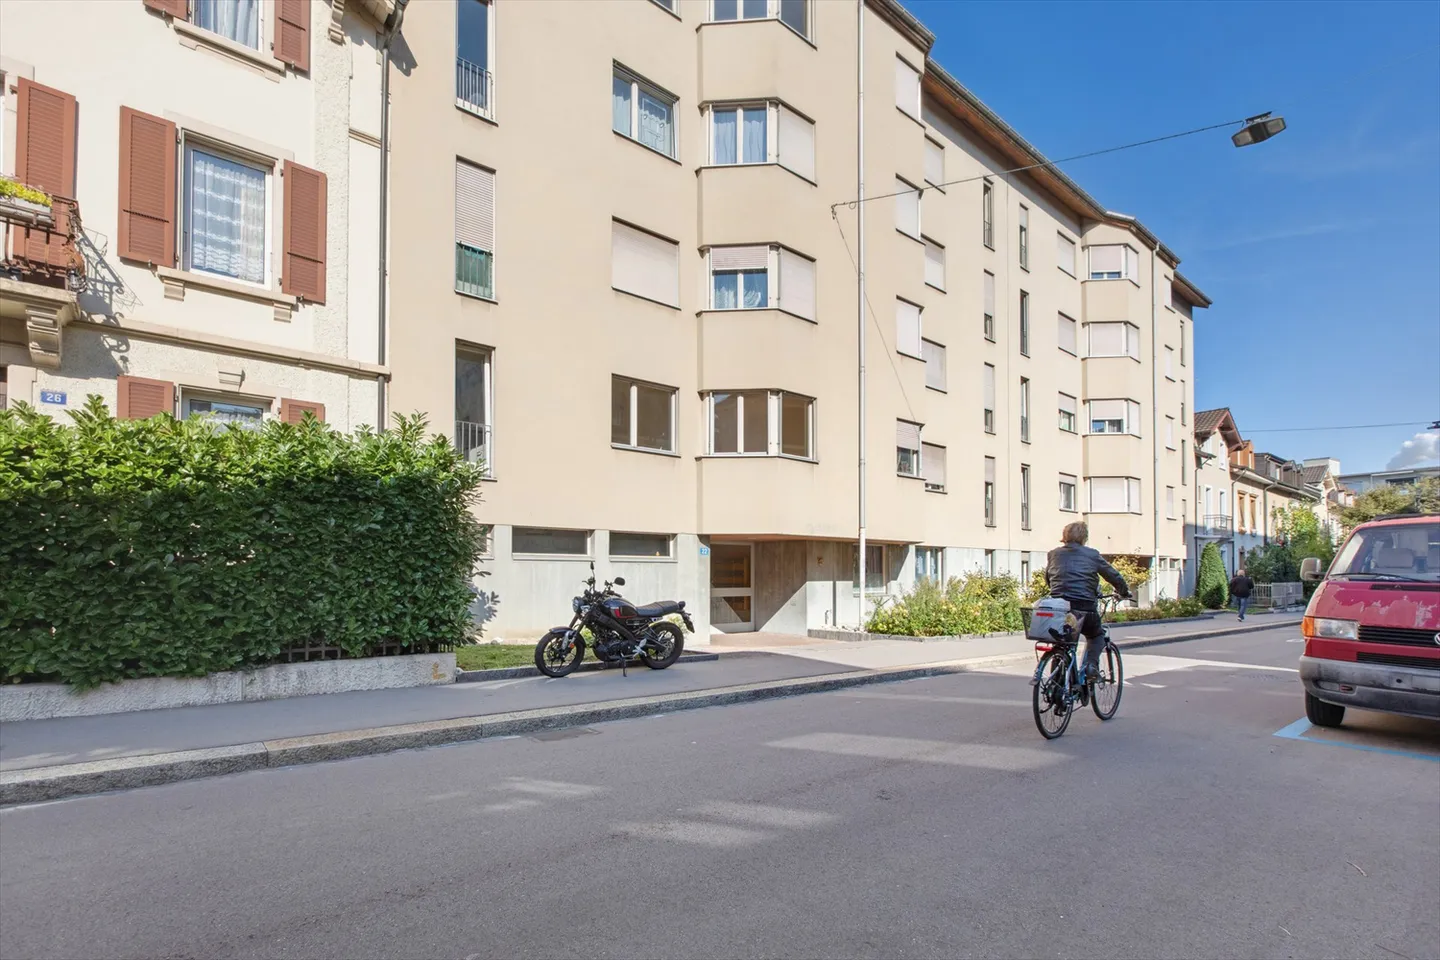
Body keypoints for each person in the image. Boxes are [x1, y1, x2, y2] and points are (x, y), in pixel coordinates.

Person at [1045, 521, 1131, 684]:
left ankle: (1056, 684)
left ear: (1065, 536)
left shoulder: (1053, 554)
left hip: (1060, 609)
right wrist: (1124, 592)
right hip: (1084, 609)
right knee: (1096, 635)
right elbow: (1113, 576)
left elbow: (1048, 579)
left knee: (1063, 642)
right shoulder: (1092, 555)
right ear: (1084, 538)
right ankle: (1091, 667)